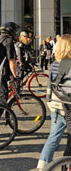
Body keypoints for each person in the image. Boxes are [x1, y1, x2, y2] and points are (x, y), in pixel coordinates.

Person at [36, 35, 70, 170]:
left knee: (53, 138)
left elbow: (50, 85)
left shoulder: (55, 64)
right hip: (68, 106)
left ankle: (42, 166)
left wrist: (49, 101)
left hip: (55, 104)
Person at [0, 22, 19, 104]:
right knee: (2, 100)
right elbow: (11, 60)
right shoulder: (8, 41)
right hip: (2, 74)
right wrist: (15, 76)